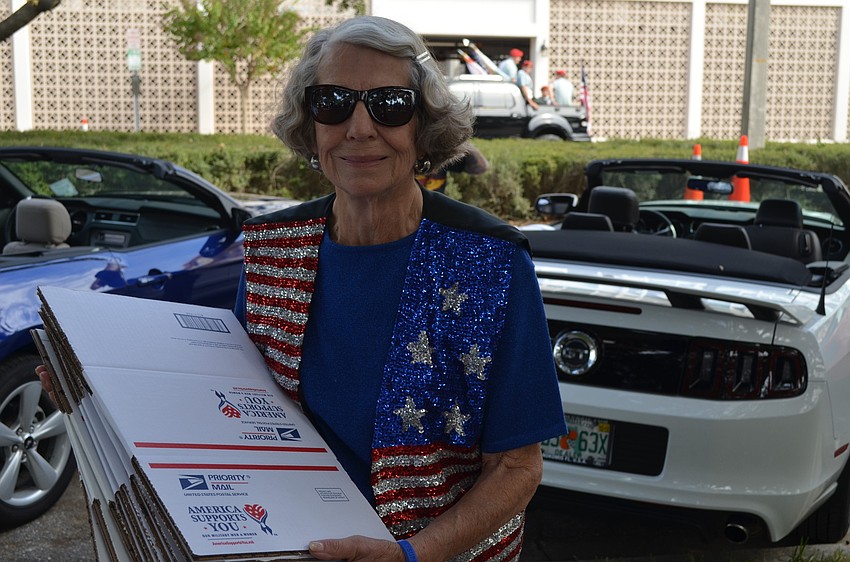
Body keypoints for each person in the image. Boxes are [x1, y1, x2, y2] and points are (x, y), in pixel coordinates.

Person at [237, 15, 566, 562]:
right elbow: (223, 407)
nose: (359, 128)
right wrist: (96, 399)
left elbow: (517, 467)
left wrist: (414, 555)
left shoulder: (490, 261)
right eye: (333, 103)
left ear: (423, 125)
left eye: (389, 104)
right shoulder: (270, 250)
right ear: (310, 123)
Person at [414, 144, 489, 194]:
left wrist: (460, 139)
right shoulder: (406, 157)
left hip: (434, 213)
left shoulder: (440, 156)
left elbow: (481, 167)